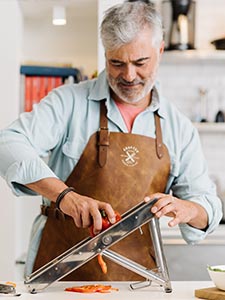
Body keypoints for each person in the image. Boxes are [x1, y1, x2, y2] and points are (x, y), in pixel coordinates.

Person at [0, 1, 222, 281]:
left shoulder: (179, 128)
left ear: (160, 51)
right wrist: (65, 196)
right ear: (105, 54)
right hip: (56, 279)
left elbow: (208, 208)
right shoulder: (68, 102)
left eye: (140, 62)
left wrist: (192, 208)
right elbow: (7, 144)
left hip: (139, 283)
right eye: (117, 63)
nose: (129, 76)